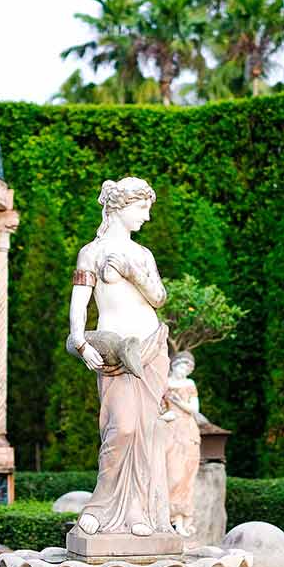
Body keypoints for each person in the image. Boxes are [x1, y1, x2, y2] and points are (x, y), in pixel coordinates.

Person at [67, 177, 172, 538]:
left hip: (152, 348)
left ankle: (136, 511)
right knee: (121, 428)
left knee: (145, 432)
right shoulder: (90, 253)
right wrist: (80, 342)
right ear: (119, 207)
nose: (146, 217)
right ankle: (100, 505)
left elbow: (158, 297)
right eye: (142, 209)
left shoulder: (143, 254)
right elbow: (79, 304)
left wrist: (132, 272)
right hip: (116, 353)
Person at [163, 351, 202, 537]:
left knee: (186, 476)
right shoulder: (165, 383)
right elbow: (157, 407)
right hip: (170, 430)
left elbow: (195, 409)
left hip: (188, 431)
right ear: (174, 364)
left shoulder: (189, 384)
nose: (185, 370)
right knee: (172, 473)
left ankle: (180, 520)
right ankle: (166, 517)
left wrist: (179, 403)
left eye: (188, 367)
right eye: (182, 365)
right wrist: (162, 416)